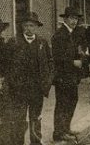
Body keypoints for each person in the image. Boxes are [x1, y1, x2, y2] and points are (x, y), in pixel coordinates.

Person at [7, 12, 54, 145]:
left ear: (36, 27)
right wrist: (13, 82)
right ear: (22, 26)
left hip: (37, 88)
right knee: (19, 119)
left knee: (36, 117)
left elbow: (50, 62)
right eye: (26, 25)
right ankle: (17, 142)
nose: (29, 28)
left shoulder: (42, 42)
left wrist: (48, 81)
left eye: (32, 25)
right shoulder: (14, 42)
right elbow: (7, 64)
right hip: (19, 89)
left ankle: (36, 142)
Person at [51, 7, 84, 142]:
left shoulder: (71, 33)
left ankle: (65, 128)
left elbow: (73, 51)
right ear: (65, 19)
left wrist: (81, 54)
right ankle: (59, 132)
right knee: (63, 103)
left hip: (71, 75)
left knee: (71, 100)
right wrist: (73, 62)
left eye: (76, 18)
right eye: (71, 18)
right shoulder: (60, 35)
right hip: (62, 75)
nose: (74, 21)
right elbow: (57, 56)